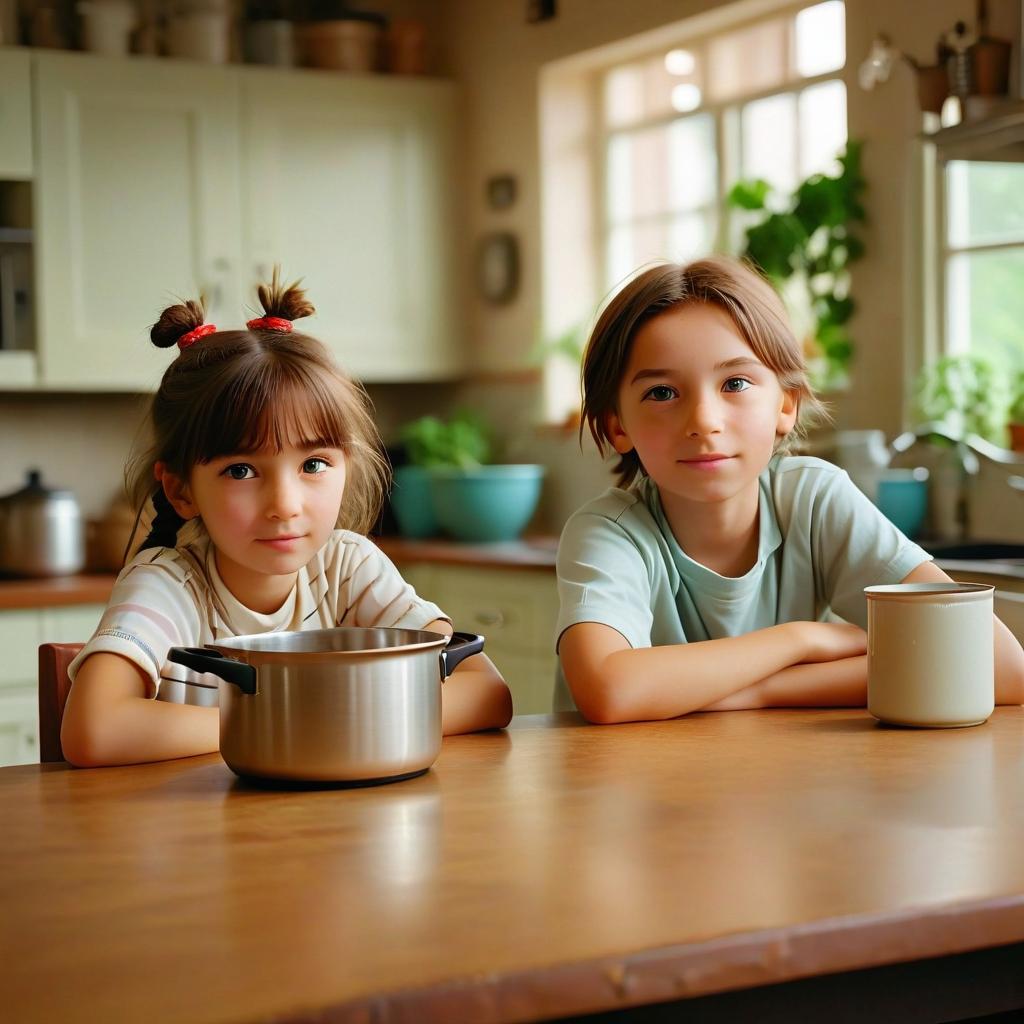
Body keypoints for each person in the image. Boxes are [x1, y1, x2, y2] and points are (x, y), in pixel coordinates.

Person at [61, 272, 512, 766]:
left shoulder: (349, 569)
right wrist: (303, 722)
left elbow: (485, 691)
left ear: (346, 467)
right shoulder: (167, 586)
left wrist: (301, 726)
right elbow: (95, 730)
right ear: (180, 489)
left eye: (313, 465)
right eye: (242, 470)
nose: (285, 504)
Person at [555, 256, 1024, 723]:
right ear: (617, 426)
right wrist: (801, 640)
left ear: (786, 405)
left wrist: (757, 692)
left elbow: (997, 667)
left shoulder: (814, 501)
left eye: (735, 383)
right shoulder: (609, 532)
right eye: (662, 393)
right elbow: (609, 689)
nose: (703, 422)